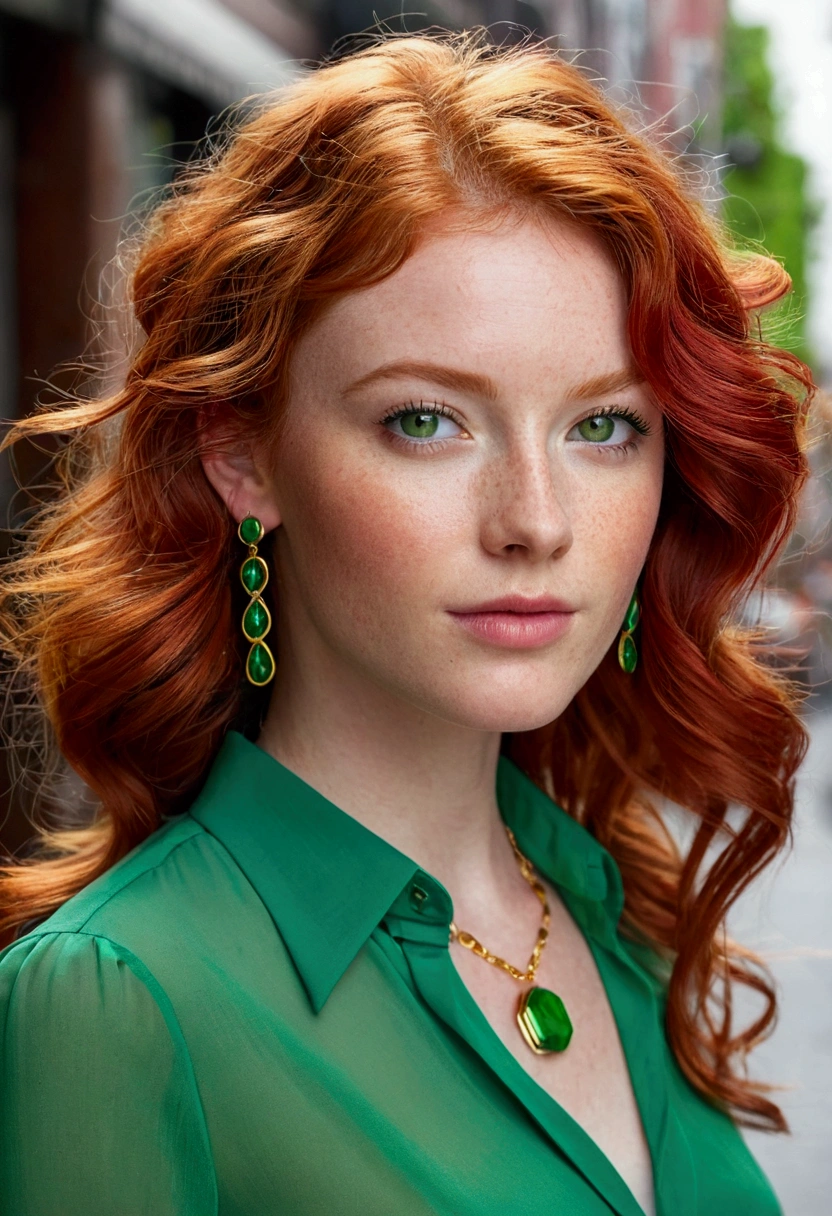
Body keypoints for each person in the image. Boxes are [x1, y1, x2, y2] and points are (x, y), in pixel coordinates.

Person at [0, 31, 811, 1216]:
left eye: (604, 428)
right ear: (242, 455)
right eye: (426, 422)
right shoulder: (119, 1002)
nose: (535, 522)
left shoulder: (612, 908)